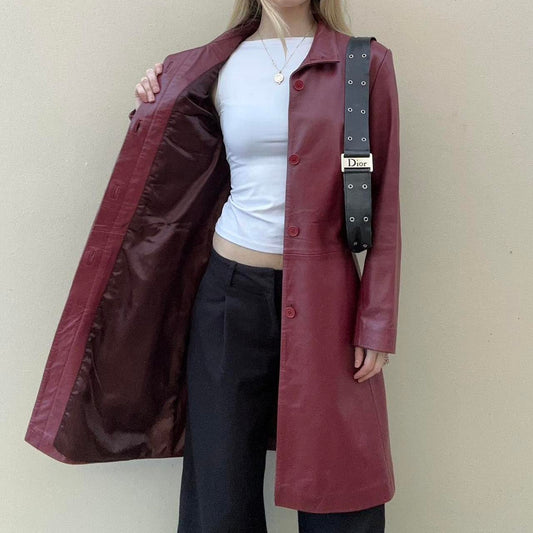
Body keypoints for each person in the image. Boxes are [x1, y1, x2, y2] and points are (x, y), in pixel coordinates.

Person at [132, 1, 400, 531]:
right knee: (220, 486)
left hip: (328, 301)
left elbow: (385, 199)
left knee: (339, 481)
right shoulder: (209, 66)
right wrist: (151, 99)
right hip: (227, 297)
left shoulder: (364, 64)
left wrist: (377, 320)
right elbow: (166, 168)